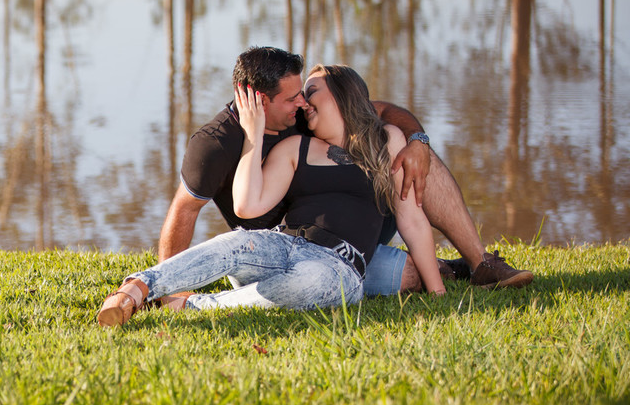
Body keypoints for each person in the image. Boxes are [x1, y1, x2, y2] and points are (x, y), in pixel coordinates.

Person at [156, 47, 532, 294]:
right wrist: (173, 289)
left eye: (306, 94)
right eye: (293, 98)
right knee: (407, 277)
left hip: (358, 218)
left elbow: (375, 111)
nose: (301, 103)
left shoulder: (302, 115)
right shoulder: (215, 144)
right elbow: (184, 210)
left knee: (415, 159)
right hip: (290, 242)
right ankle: (444, 267)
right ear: (255, 98)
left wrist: (417, 139)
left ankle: (481, 264)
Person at [97, 64, 443, 326]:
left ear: (342, 94)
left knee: (313, 282)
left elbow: (412, 221)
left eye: (312, 90)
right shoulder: (297, 147)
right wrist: (253, 133)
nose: (304, 101)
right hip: (282, 245)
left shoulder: (387, 141)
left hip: (339, 267)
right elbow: (247, 207)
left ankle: (191, 306)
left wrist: (438, 295)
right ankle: (137, 288)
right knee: (235, 244)